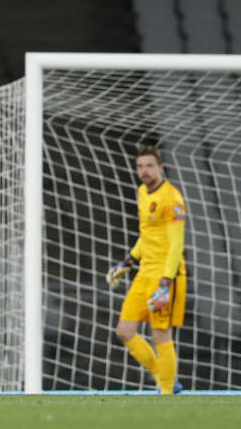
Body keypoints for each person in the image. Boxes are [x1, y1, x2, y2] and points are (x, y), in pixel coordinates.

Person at [106, 145, 186, 395]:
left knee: (160, 333)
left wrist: (165, 283)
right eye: (140, 166)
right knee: (124, 331)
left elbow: (176, 245)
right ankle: (164, 377)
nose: (144, 171)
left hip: (166, 274)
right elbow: (147, 234)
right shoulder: (142, 192)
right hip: (144, 272)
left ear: (160, 168)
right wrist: (128, 261)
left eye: (150, 166)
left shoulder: (172, 199)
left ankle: (167, 393)